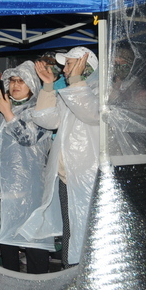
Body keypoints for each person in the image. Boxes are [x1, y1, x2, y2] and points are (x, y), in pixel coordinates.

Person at [0, 61, 52, 274]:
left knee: (33, 241)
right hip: (0, 186)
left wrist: (8, 113)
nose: (15, 85)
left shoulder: (39, 109)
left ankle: (38, 284)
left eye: (21, 81)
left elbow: (28, 138)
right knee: (6, 240)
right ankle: (10, 280)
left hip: (27, 189)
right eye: (12, 80)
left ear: (32, 84)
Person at [23, 46, 100, 269]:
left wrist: (76, 80)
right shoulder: (72, 91)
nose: (64, 70)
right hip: (68, 178)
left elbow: (91, 114)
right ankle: (70, 273)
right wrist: (48, 86)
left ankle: (87, 275)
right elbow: (47, 120)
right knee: (71, 228)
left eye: (69, 64)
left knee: (89, 231)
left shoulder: (100, 91)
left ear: (85, 66)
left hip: (90, 179)